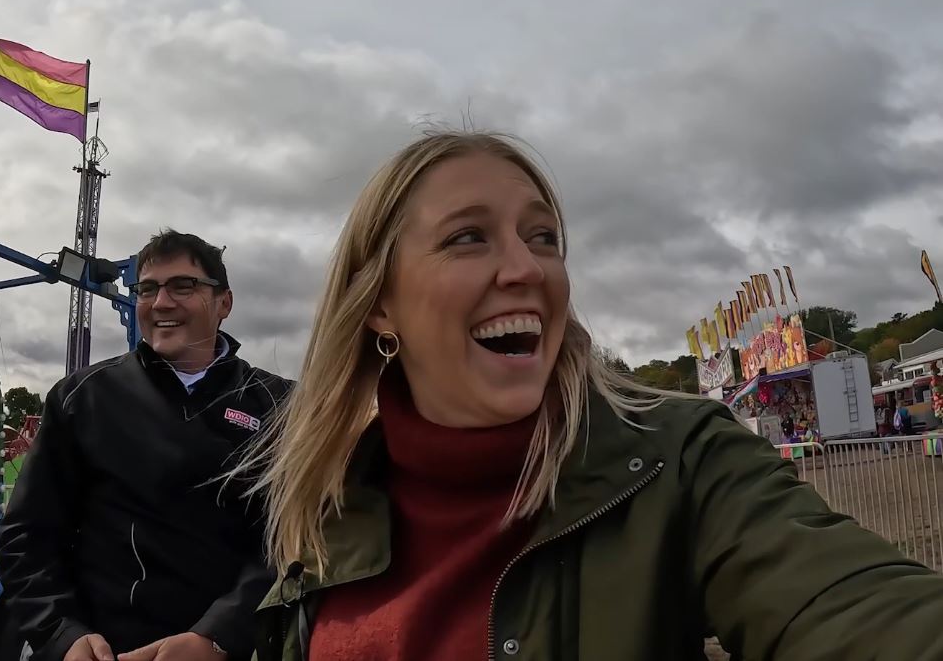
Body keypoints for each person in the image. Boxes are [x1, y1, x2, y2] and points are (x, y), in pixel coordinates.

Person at [244, 132, 943, 660]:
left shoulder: (682, 459)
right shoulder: (326, 510)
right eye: (467, 238)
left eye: (542, 237)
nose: (526, 267)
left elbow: (852, 605)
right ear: (379, 306)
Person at [0, 229, 291, 661]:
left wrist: (220, 636)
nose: (162, 302)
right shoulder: (83, 398)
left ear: (224, 303)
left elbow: (290, 541)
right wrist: (61, 634)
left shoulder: (278, 404)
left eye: (183, 285)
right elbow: (27, 537)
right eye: (148, 289)